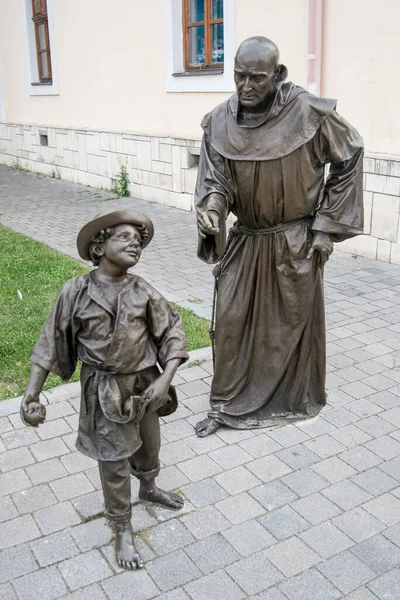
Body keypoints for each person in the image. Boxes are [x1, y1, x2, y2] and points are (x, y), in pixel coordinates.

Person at [195, 36, 364, 437]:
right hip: (248, 239)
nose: (246, 86)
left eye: (257, 78)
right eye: (239, 76)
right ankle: (227, 404)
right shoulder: (219, 121)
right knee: (232, 320)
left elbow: (350, 154)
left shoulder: (308, 111)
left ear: (277, 75)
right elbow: (215, 181)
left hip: (294, 241)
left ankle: (293, 400)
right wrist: (212, 212)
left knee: (290, 326)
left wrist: (326, 228)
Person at [20, 208, 189, 569]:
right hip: (103, 388)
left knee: (149, 447)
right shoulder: (76, 292)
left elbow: (172, 329)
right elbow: (50, 342)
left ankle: (148, 486)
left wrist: (165, 378)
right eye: (124, 238)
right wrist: (32, 394)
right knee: (113, 460)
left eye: (139, 241)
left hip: (144, 386)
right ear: (100, 246)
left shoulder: (143, 290)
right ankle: (122, 526)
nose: (135, 245)